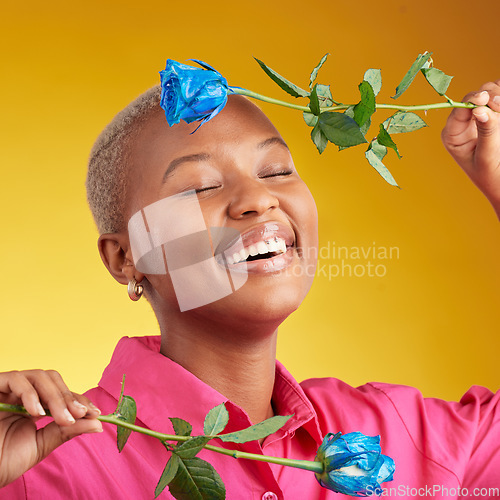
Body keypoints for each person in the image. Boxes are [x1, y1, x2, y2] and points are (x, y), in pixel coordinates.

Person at [0, 78, 499, 499]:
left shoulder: (401, 433)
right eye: (199, 186)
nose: (259, 198)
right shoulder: (44, 463)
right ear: (126, 257)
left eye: (278, 171)